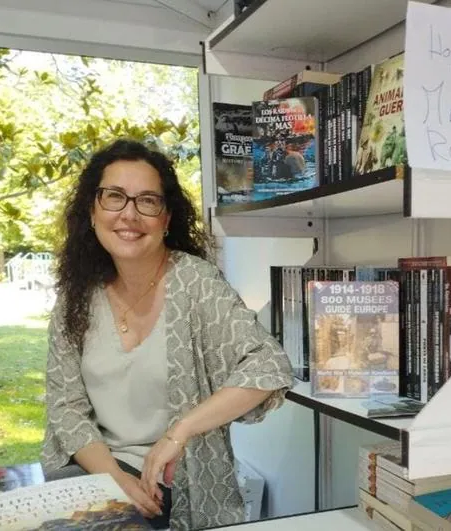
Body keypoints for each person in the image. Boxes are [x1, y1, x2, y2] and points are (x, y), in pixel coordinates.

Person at [40, 139, 294, 530]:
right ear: (92, 211)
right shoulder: (76, 295)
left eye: (147, 201)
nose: (130, 214)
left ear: (166, 218)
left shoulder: (196, 283)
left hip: (179, 478)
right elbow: (66, 407)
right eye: (114, 197)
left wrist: (179, 433)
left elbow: (269, 366)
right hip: (95, 469)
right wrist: (115, 478)